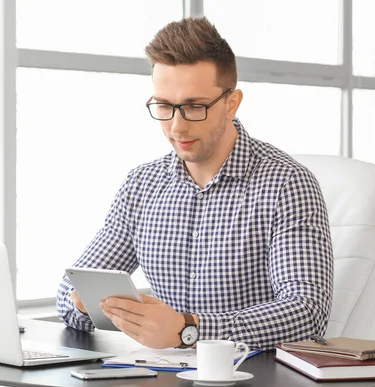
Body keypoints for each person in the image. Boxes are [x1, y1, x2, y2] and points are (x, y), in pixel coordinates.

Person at [56, 17, 334, 350]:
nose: (176, 127)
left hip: (255, 381)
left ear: (231, 103)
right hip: (161, 377)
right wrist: (87, 304)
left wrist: (190, 329)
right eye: (164, 106)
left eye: (193, 107)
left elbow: (307, 312)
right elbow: (70, 290)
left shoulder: (287, 184)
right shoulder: (142, 185)